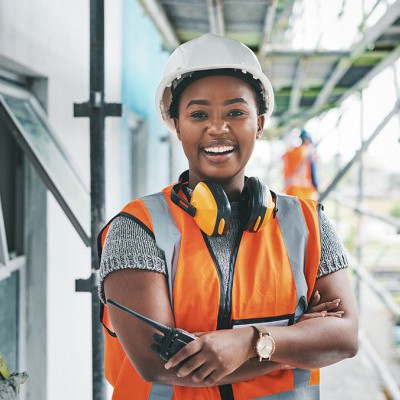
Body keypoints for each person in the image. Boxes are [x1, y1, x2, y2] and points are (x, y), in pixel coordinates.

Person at [98, 33, 358, 400]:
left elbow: (345, 337)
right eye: (198, 114)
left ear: (260, 123)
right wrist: (295, 336)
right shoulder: (137, 228)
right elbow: (158, 363)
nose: (217, 128)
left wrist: (249, 342)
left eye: (236, 112)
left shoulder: (308, 222)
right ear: (176, 124)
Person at [283, 129, 319, 200]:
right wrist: (316, 185)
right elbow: (313, 171)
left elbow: (286, 169)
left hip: (291, 188)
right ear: (306, 139)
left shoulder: (291, 152)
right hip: (306, 189)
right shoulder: (309, 152)